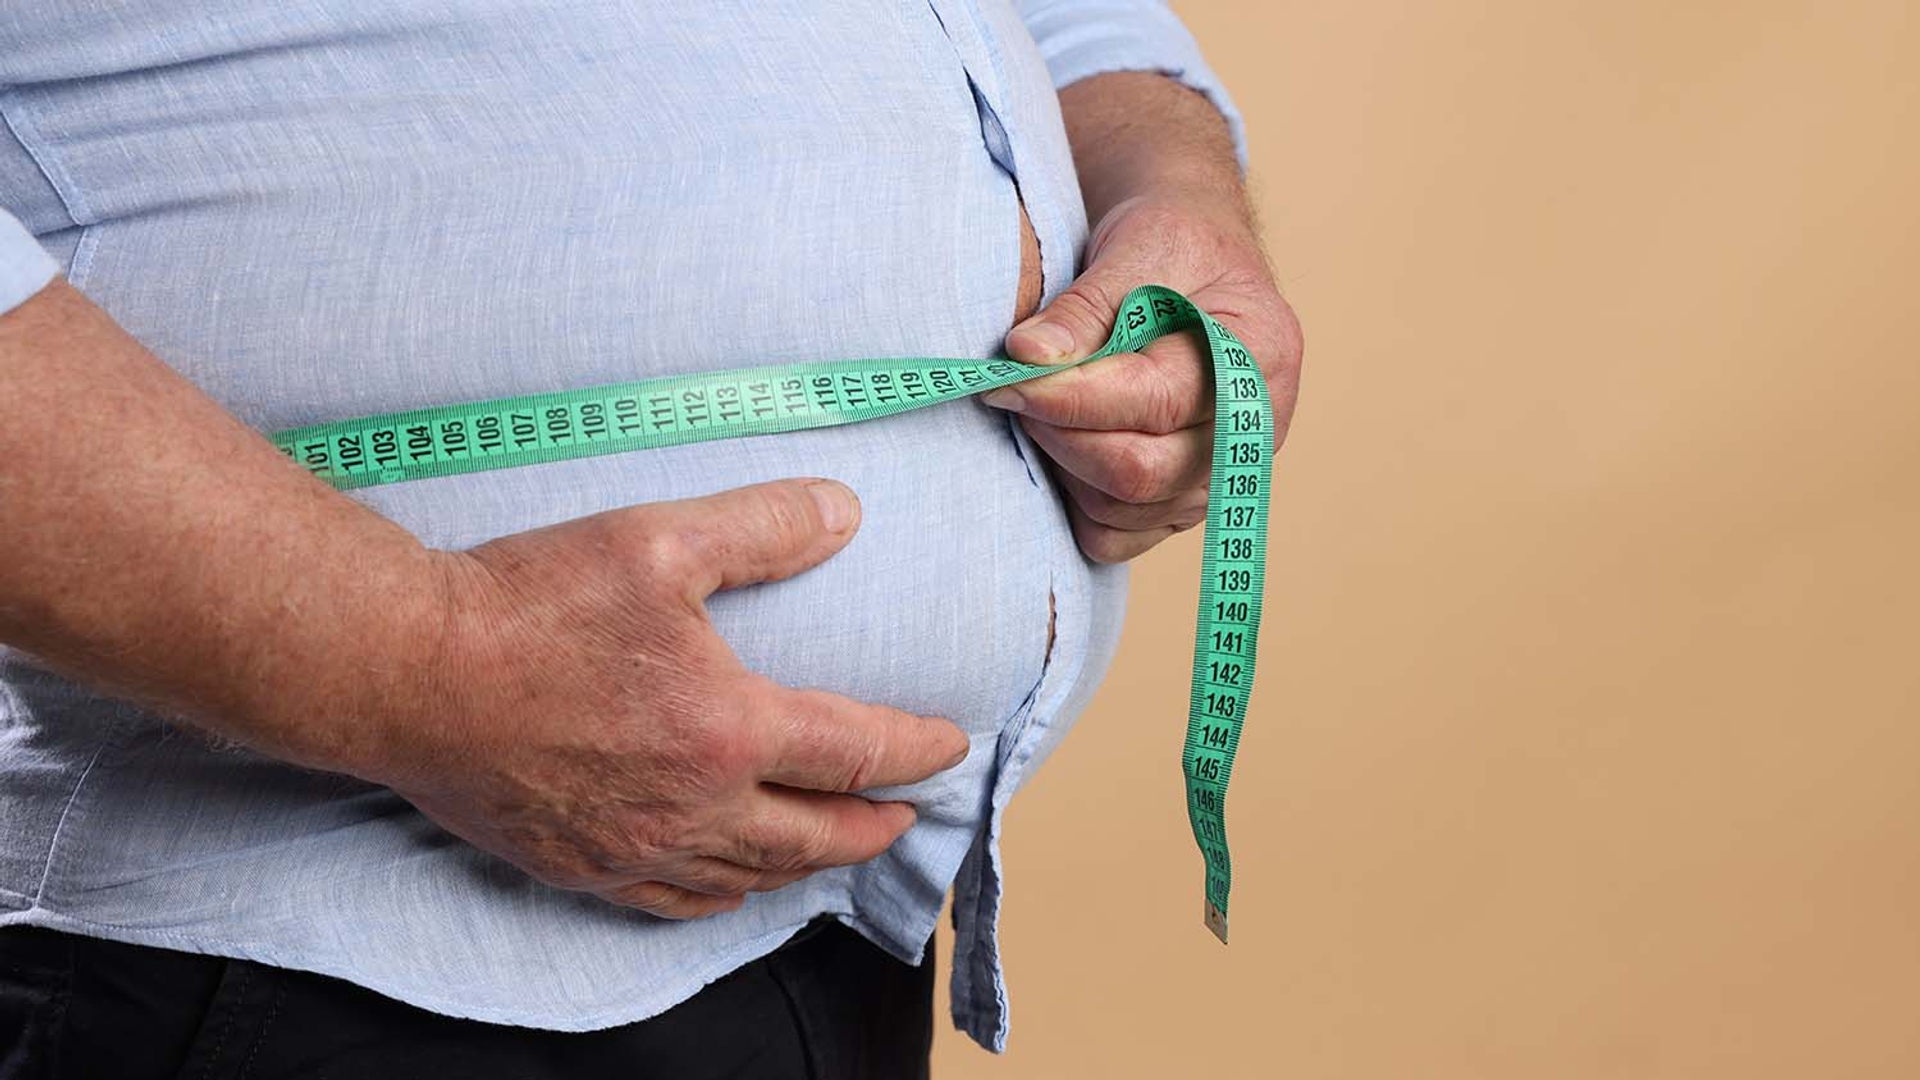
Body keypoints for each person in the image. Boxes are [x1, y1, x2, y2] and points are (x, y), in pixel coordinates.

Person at [0, 2, 1300, 1076]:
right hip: (263, 961)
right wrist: (423, 659)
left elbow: (1074, 22)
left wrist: (1178, 202)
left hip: (816, 964)